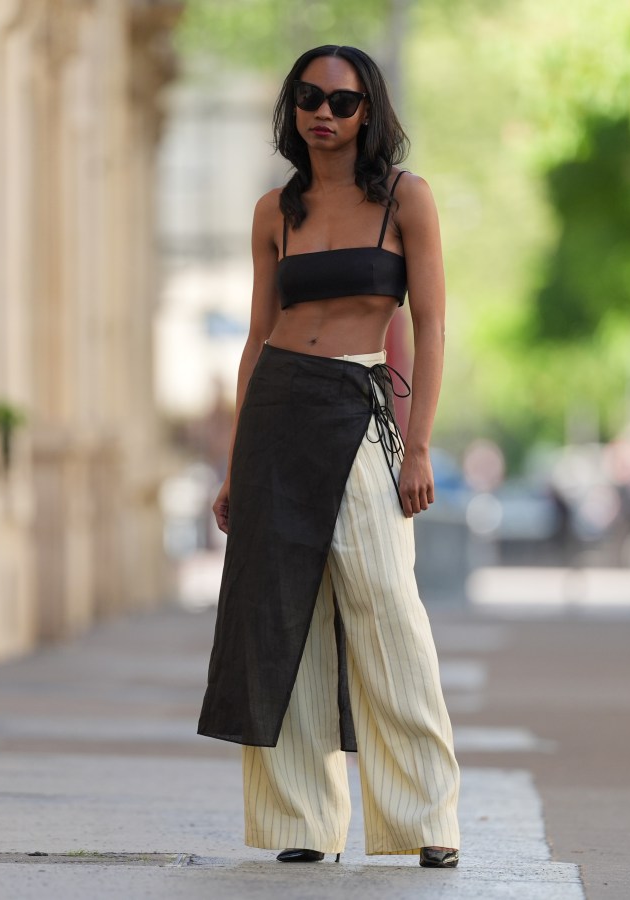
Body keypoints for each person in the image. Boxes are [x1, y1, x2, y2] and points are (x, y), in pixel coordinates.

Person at [197, 44, 461, 869]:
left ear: (369, 114)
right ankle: (301, 824)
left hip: (359, 403)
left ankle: (427, 818)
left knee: (388, 607)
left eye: (342, 103)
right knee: (284, 617)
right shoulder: (276, 210)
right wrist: (234, 463)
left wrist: (418, 446)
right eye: (309, 97)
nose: (324, 113)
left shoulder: (406, 201)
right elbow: (252, 342)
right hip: (278, 407)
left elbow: (431, 325)